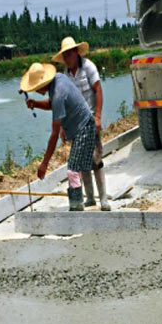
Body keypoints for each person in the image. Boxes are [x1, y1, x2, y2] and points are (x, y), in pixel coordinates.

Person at [21, 63, 95, 211]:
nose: (35, 90)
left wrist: (44, 163)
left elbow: (54, 134)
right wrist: (36, 103)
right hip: (82, 125)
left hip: (84, 127)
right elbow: (53, 104)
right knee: (81, 166)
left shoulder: (58, 92)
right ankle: (89, 200)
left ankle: (76, 207)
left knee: (73, 170)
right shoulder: (58, 80)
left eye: (35, 87)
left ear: (42, 85)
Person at [53, 36, 110, 211]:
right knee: (83, 161)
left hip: (91, 120)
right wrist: (63, 127)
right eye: (66, 55)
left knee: (96, 159)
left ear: (76, 53)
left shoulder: (88, 67)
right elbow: (63, 103)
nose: (68, 58)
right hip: (76, 125)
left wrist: (98, 116)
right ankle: (90, 198)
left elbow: (98, 90)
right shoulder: (64, 76)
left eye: (70, 54)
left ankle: (103, 199)